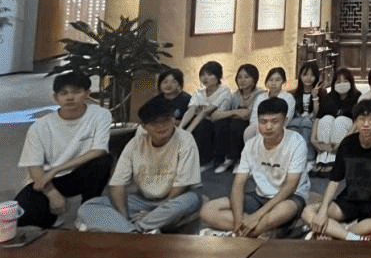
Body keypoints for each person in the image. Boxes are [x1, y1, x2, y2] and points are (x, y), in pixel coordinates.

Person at [77, 99, 202, 233]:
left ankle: (134, 229)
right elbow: (117, 184)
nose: (161, 126)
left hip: (172, 201)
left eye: (166, 120)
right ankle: (134, 230)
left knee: (190, 200)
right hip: (142, 200)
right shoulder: (135, 144)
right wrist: (124, 215)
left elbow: (181, 186)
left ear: (173, 120)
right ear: (144, 126)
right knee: (88, 207)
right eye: (154, 123)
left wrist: (157, 211)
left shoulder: (185, 140)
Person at [199, 97, 309, 238]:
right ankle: (265, 230)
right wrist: (238, 220)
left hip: (289, 197)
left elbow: (290, 186)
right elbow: (238, 183)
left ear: (285, 121)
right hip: (260, 195)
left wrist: (257, 216)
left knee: (284, 211)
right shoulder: (251, 145)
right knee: (207, 211)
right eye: (263, 121)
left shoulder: (297, 142)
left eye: (274, 121)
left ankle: (249, 230)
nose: (268, 126)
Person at [301, 99, 371, 240]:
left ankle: (335, 233)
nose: (366, 124)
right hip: (349, 199)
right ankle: (350, 237)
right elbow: (334, 180)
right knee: (307, 212)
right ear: (355, 122)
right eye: (361, 119)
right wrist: (322, 211)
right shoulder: (347, 143)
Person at [15, 71, 113, 229]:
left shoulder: (100, 115)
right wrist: (51, 193)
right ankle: (55, 213)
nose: (70, 97)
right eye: (64, 93)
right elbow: (34, 166)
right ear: (55, 97)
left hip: (79, 172)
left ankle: (88, 211)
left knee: (102, 162)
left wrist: (57, 169)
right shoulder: (40, 126)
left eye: (76, 92)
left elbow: (99, 150)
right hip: (47, 179)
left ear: (87, 93)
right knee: (20, 218)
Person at [210, 64, 264, 174]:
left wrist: (231, 114)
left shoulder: (260, 95)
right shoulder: (234, 95)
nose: (242, 80)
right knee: (221, 123)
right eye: (239, 77)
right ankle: (225, 159)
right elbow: (215, 115)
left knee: (237, 123)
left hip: (252, 126)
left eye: (246, 77)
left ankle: (237, 159)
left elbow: (247, 115)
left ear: (254, 79)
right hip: (234, 126)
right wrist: (235, 112)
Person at [179, 60, 232, 165]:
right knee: (202, 124)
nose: (205, 78)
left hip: (220, 121)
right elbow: (191, 110)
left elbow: (205, 112)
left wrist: (188, 131)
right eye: (203, 75)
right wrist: (180, 128)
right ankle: (201, 160)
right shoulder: (199, 92)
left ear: (218, 77)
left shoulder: (224, 90)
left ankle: (218, 160)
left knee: (211, 125)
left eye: (210, 74)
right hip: (205, 120)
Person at [311, 67, 359, 175]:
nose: (342, 84)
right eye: (338, 82)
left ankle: (334, 159)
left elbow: (358, 121)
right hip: (328, 137)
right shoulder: (329, 97)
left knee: (340, 120)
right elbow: (318, 117)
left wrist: (343, 142)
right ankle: (322, 158)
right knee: (326, 119)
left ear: (351, 82)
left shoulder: (357, 97)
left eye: (345, 81)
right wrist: (313, 139)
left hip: (347, 134)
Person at [246, 67, 296, 139]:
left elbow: (287, 118)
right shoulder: (261, 97)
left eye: (277, 80)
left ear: (283, 81)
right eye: (271, 80)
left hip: (278, 127)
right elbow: (254, 118)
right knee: (249, 131)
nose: (273, 83)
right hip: (260, 127)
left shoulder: (288, 98)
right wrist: (260, 128)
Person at [289, 61, 320, 167]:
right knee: (294, 124)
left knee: (306, 123)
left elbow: (316, 114)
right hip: (298, 119)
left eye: (312, 75)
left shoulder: (321, 92)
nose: (308, 78)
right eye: (305, 74)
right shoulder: (294, 93)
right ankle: (293, 158)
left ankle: (309, 159)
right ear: (300, 76)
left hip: (313, 121)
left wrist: (315, 97)